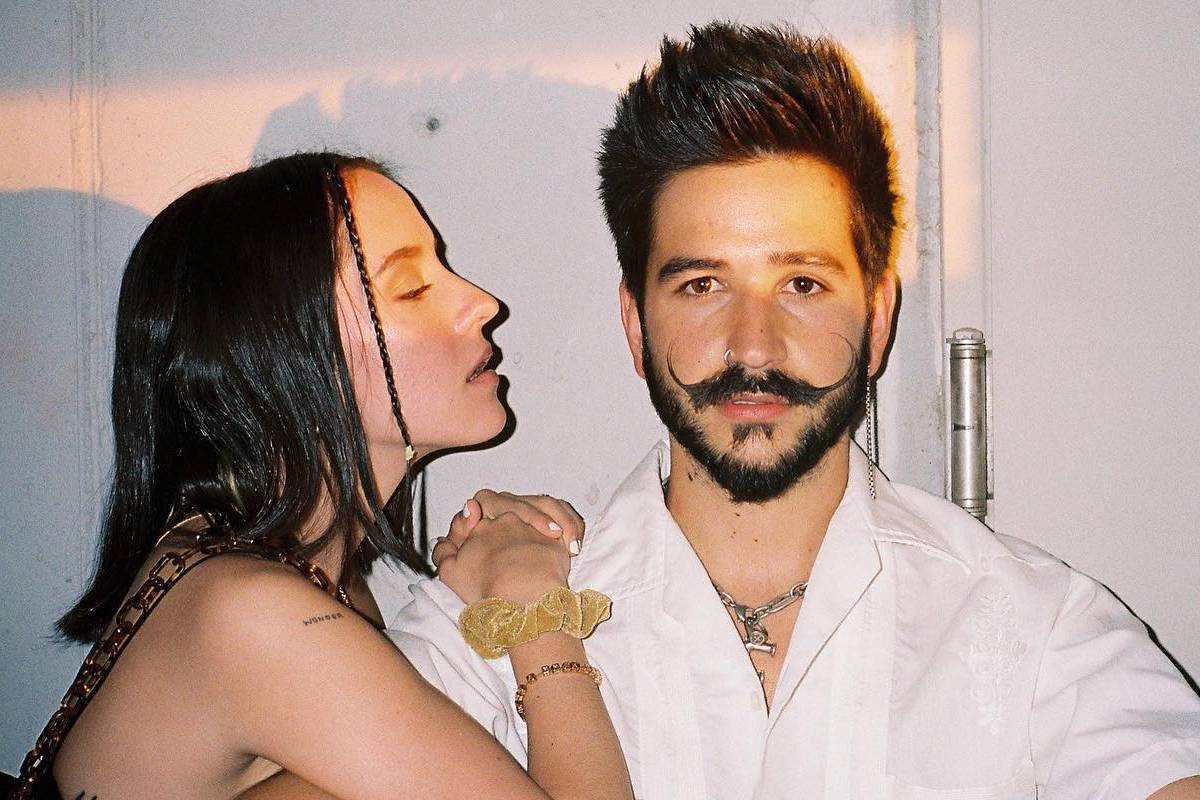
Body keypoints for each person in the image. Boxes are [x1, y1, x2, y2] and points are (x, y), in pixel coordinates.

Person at [381, 22, 1200, 799]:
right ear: (635, 325)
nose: (754, 346)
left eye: (802, 284)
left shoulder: (1037, 626)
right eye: (703, 285)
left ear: (878, 319)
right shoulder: (485, 614)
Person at [13, 152, 632, 800]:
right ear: (278, 355)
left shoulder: (297, 578)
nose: (482, 304)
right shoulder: (252, 614)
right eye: (412, 288)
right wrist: (531, 607)